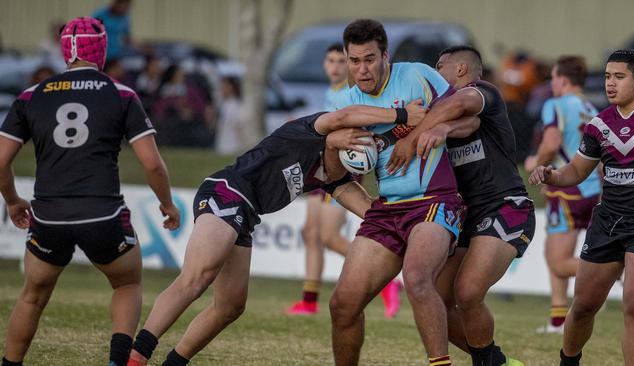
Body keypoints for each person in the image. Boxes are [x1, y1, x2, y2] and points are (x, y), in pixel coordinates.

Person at [126, 101, 427, 366]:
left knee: (230, 306)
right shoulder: (312, 130)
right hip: (226, 191)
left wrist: (414, 223)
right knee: (197, 276)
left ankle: (174, 362)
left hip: (247, 213)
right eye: (354, 137)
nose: (354, 142)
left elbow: (373, 212)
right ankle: (137, 355)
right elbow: (343, 116)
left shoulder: (336, 180)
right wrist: (402, 115)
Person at [0, 17, 180, 366]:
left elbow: (0, 161)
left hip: (48, 215)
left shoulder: (31, 96)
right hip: (103, 215)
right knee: (126, 284)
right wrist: (167, 204)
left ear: (64, 51)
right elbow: (153, 164)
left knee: (32, 297)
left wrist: (11, 200)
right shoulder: (122, 94)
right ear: (101, 49)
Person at [329, 20, 480, 366]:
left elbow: (471, 119)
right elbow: (335, 176)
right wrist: (340, 147)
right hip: (386, 209)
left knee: (417, 278)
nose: (362, 70)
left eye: (370, 59)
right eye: (354, 61)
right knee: (342, 304)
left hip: (435, 201)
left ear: (385, 55)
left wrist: (440, 127)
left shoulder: (417, 77)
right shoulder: (347, 102)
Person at [388, 45, 534, 366]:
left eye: (439, 67)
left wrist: (416, 135)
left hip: (505, 206)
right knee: (437, 300)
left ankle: (486, 363)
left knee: (468, 293)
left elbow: (463, 108)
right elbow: (464, 124)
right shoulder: (444, 111)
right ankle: (494, 360)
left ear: (461, 70)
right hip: (465, 216)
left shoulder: (483, 92)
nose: (433, 75)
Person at [529, 49, 634, 366]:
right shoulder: (598, 124)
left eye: (619, 77)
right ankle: (568, 360)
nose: (610, 84)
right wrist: (552, 174)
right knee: (583, 306)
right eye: (608, 77)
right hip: (607, 221)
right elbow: (577, 171)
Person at [287, 43, 402, 317]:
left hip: (341, 171)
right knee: (311, 233)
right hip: (322, 167)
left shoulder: (352, 95)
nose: (336, 66)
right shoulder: (331, 92)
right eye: (331, 61)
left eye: (342, 61)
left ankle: (385, 280)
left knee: (327, 236)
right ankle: (309, 299)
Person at [524, 56, 601, 334]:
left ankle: (615, 271)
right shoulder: (592, 109)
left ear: (563, 80)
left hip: (568, 189)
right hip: (591, 190)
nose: (551, 84)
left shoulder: (555, 105)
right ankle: (558, 320)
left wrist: (536, 162)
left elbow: (552, 142)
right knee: (556, 254)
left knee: (557, 259)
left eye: (553, 78)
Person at [214, 76, 244, 154]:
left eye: (224, 87)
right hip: (222, 146)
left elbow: (239, 128)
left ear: (231, 88)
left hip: (232, 148)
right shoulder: (225, 104)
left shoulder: (236, 106)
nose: (221, 90)